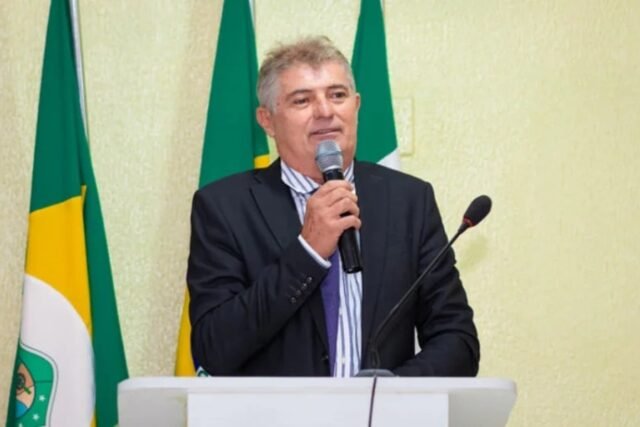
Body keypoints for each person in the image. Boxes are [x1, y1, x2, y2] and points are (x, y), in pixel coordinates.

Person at [187, 36, 479, 377]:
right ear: (267, 120)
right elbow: (213, 350)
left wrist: (390, 391)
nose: (325, 111)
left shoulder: (409, 201)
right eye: (302, 100)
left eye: (337, 95)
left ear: (356, 105)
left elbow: (457, 340)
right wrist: (308, 252)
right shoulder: (223, 208)